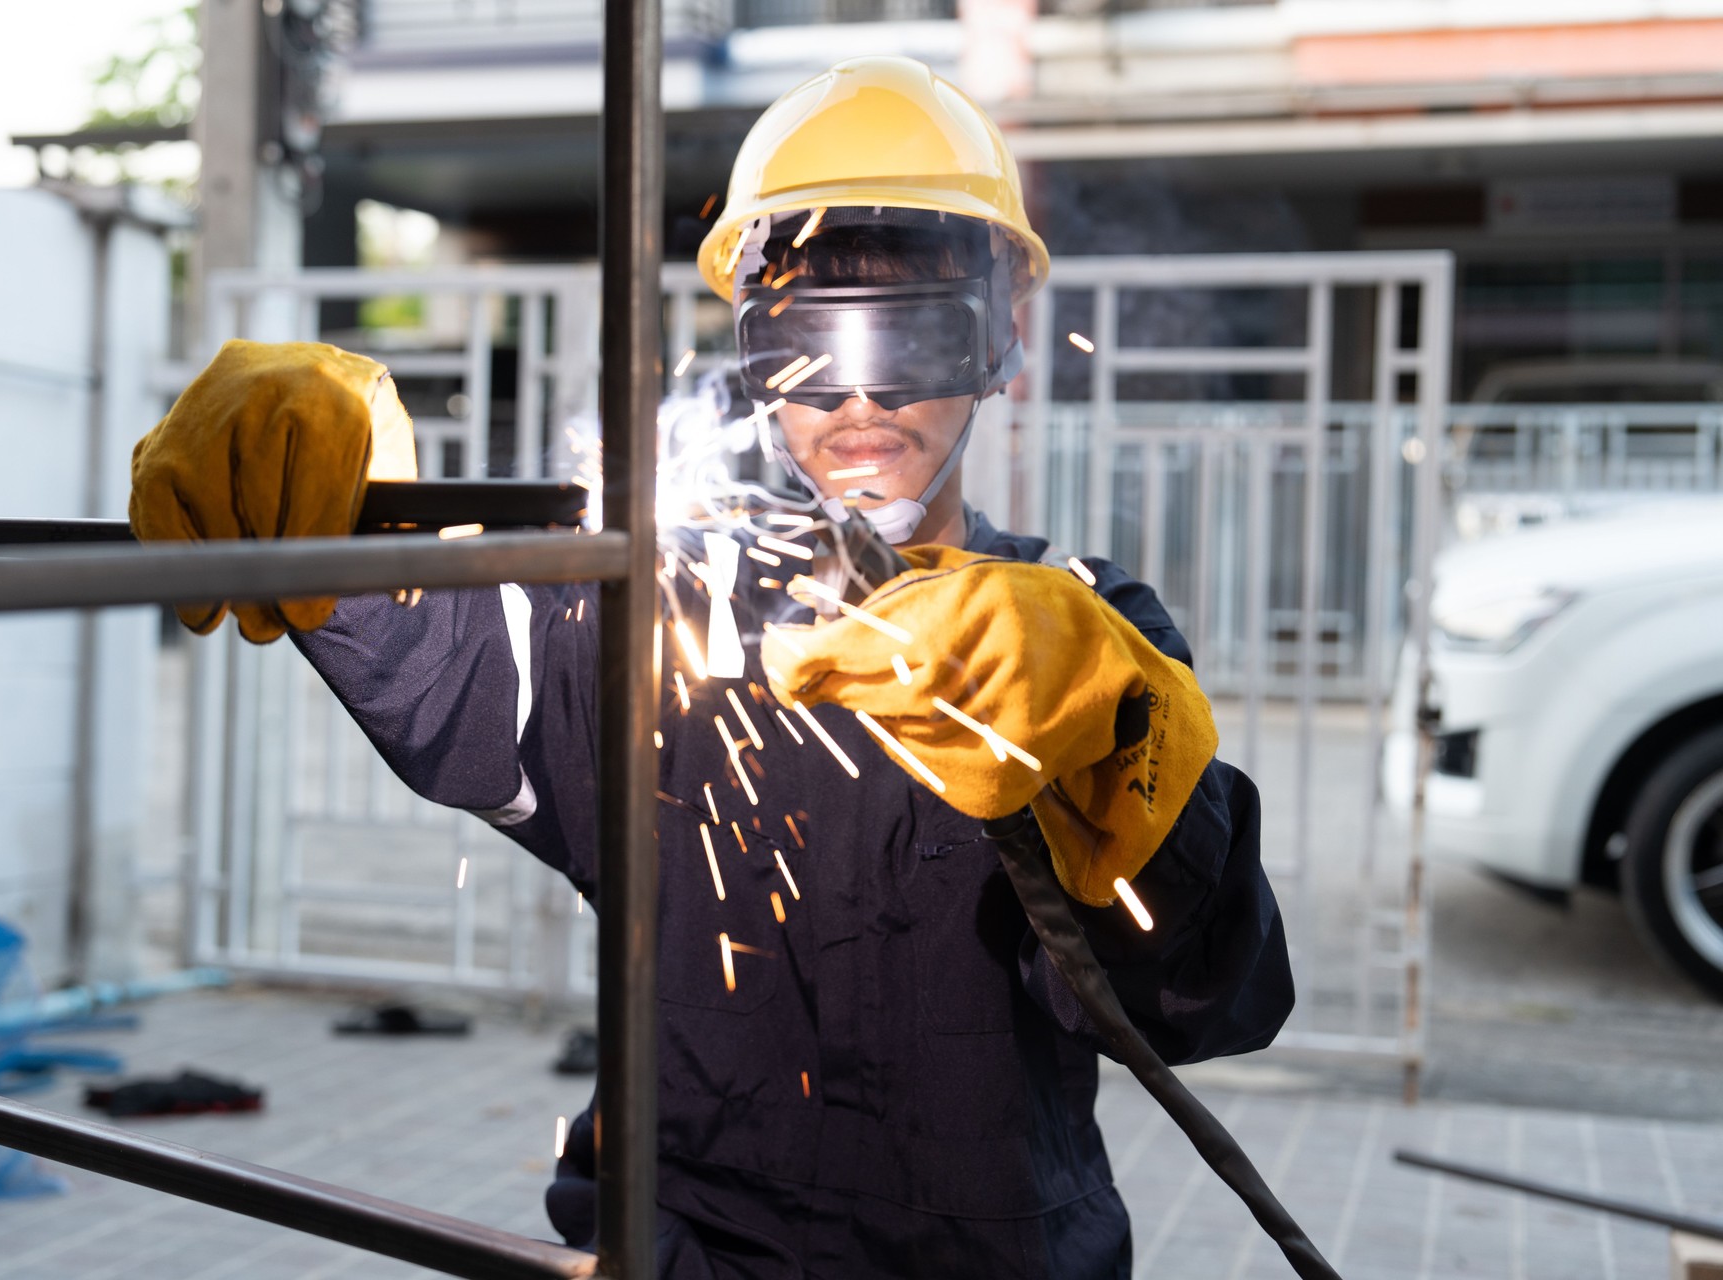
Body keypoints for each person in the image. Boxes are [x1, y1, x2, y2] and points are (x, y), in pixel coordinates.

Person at [130, 55, 1292, 1280]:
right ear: (750, 350)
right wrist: (356, 519)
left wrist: (1120, 750)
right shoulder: (658, 610)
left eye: (911, 329)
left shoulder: (1091, 629)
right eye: (807, 337)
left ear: (1006, 335)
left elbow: (1215, 998)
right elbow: (451, 664)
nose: (857, 394)